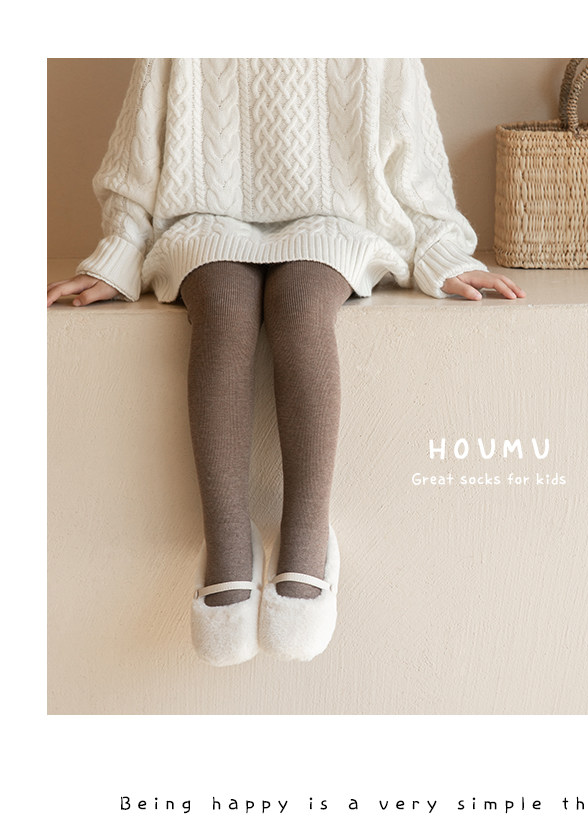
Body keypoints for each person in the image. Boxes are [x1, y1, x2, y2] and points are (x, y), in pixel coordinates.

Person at [47, 58, 525, 667]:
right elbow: (140, 145)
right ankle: (227, 542)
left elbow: (412, 151)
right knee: (223, 307)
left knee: (300, 306)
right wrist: (118, 252)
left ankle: (307, 537)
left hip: (338, 219)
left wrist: (441, 251)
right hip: (204, 219)